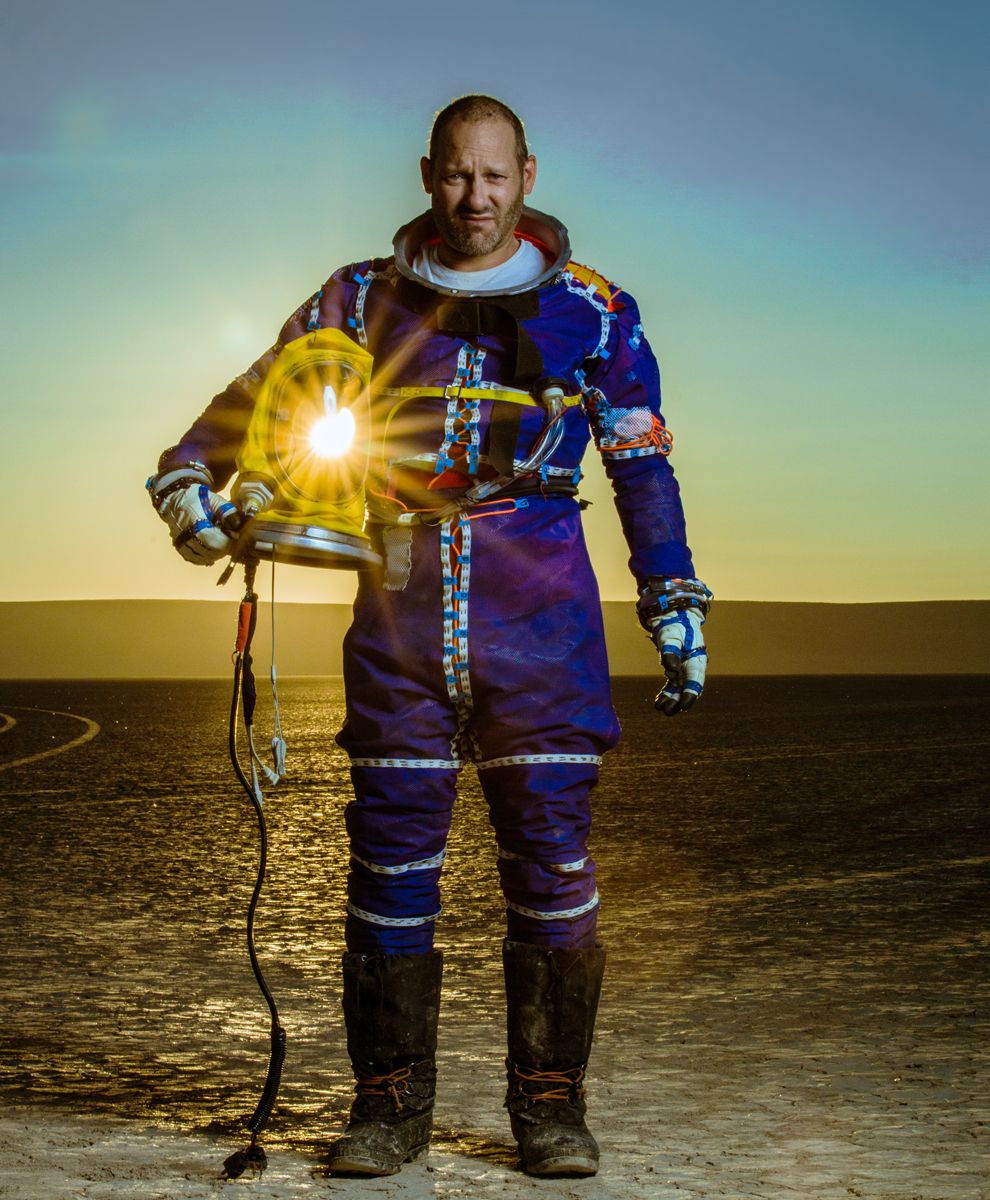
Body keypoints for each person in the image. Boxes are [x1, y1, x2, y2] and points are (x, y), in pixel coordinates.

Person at [147, 95, 711, 1179]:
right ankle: (389, 1109)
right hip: (399, 612)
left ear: (529, 176)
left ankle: (551, 1109)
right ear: (425, 175)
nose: (476, 198)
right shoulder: (357, 297)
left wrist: (673, 598)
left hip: (542, 618)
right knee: (390, 861)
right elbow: (254, 401)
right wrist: (187, 479)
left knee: (551, 859)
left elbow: (641, 464)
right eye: (456, 176)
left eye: (494, 177)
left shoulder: (595, 312)